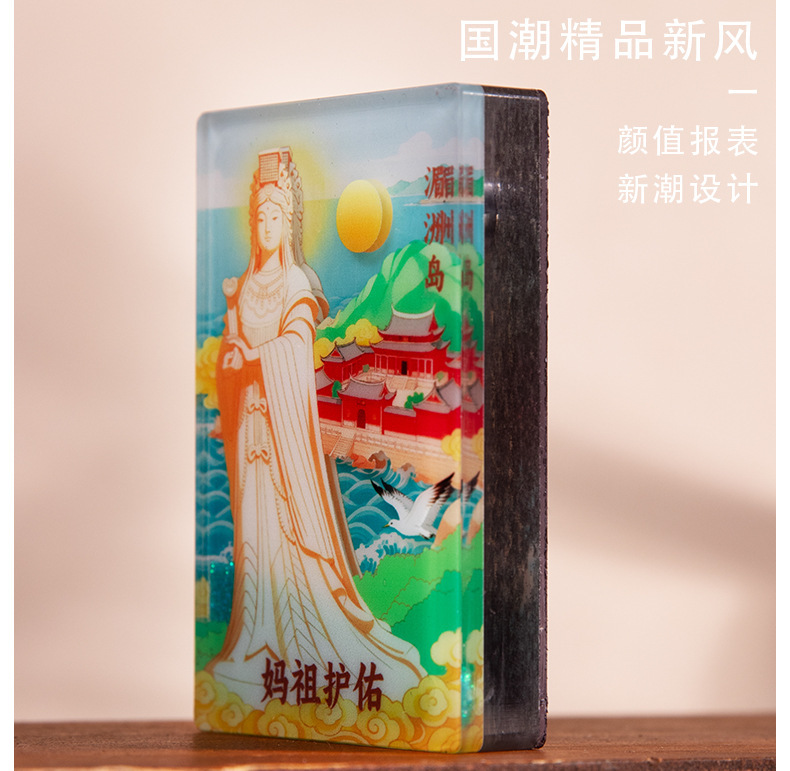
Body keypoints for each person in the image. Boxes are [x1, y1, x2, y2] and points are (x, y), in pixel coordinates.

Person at [208, 148, 424, 709]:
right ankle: (258, 647)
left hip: (285, 436)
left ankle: (311, 646)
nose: (266, 225)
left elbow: (293, 348)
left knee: (287, 532)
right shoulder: (246, 286)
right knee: (256, 536)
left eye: (276, 216)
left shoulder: (297, 286)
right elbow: (234, 350)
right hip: (253, 431)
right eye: (259, 216)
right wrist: (233, 358)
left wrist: (255, 358)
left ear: (291, 223)